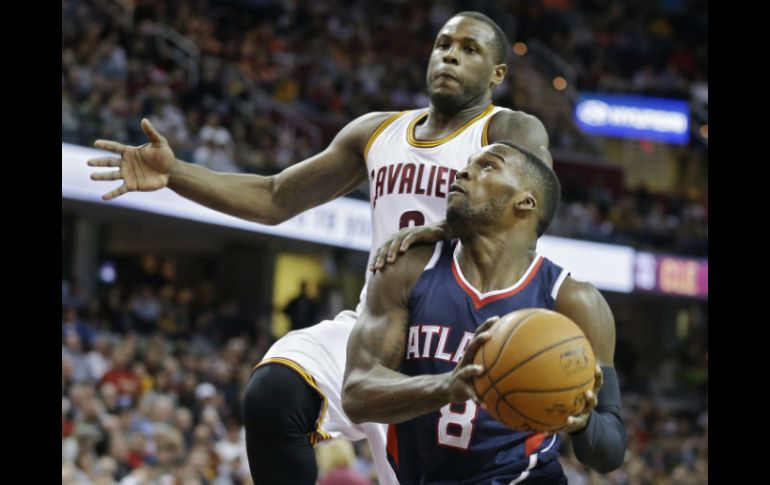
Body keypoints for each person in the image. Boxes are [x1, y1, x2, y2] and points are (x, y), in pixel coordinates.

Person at [88, 11, 552, 484]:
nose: (450, 54)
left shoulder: (510, 130)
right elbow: (273, 198)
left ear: (498, 73)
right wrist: (176, 174)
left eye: (469, 49)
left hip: (453, 342)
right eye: (443, 43)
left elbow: (535, 209)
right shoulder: (376, 132)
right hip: (373, 329)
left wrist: (446, 227)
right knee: (273, 395)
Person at [342, 142, 627, 484]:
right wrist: (446, 386)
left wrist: (582, 419)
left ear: (526, 201)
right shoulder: (408, 268)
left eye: (488, 166)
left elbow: (610, 452)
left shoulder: (573, 300)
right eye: (466, 164)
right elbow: (357, 394)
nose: (463, 172)